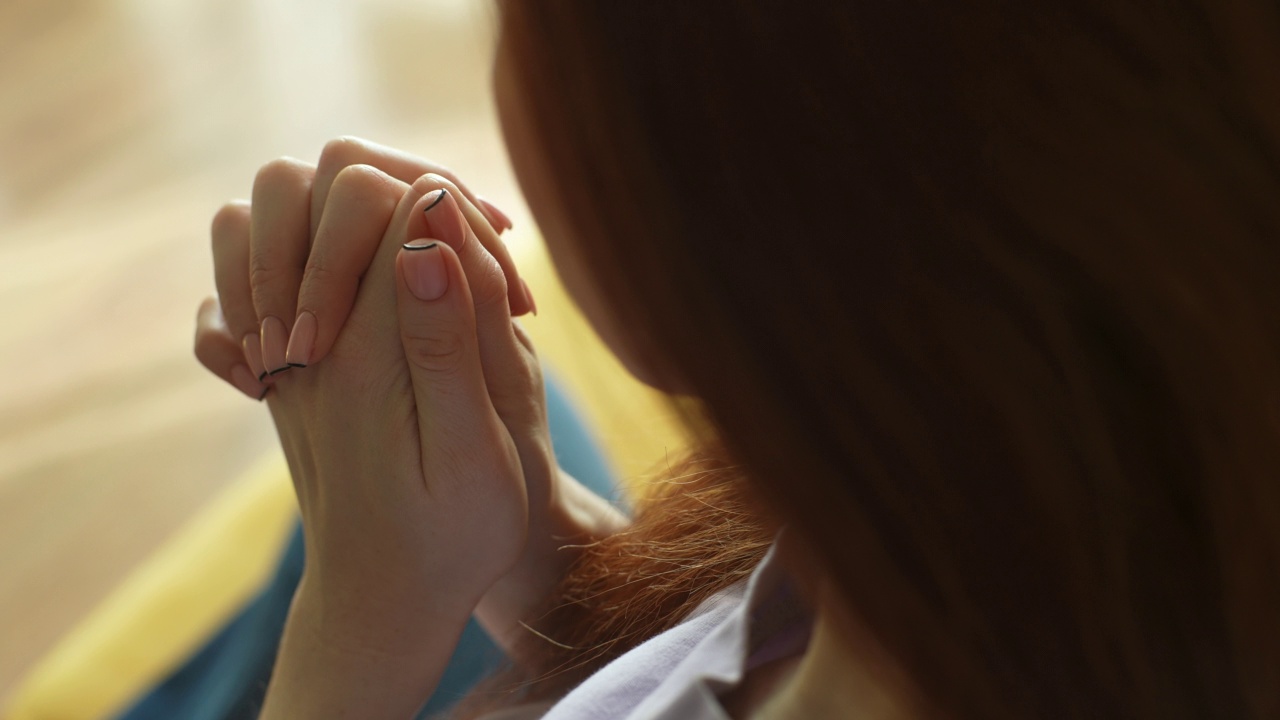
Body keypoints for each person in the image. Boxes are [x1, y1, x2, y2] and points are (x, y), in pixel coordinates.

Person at [190, 2, 1280, 718]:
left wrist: (354, 624)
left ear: (716, 174)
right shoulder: (1058, 470)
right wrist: (535, 536)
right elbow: (728, 652)